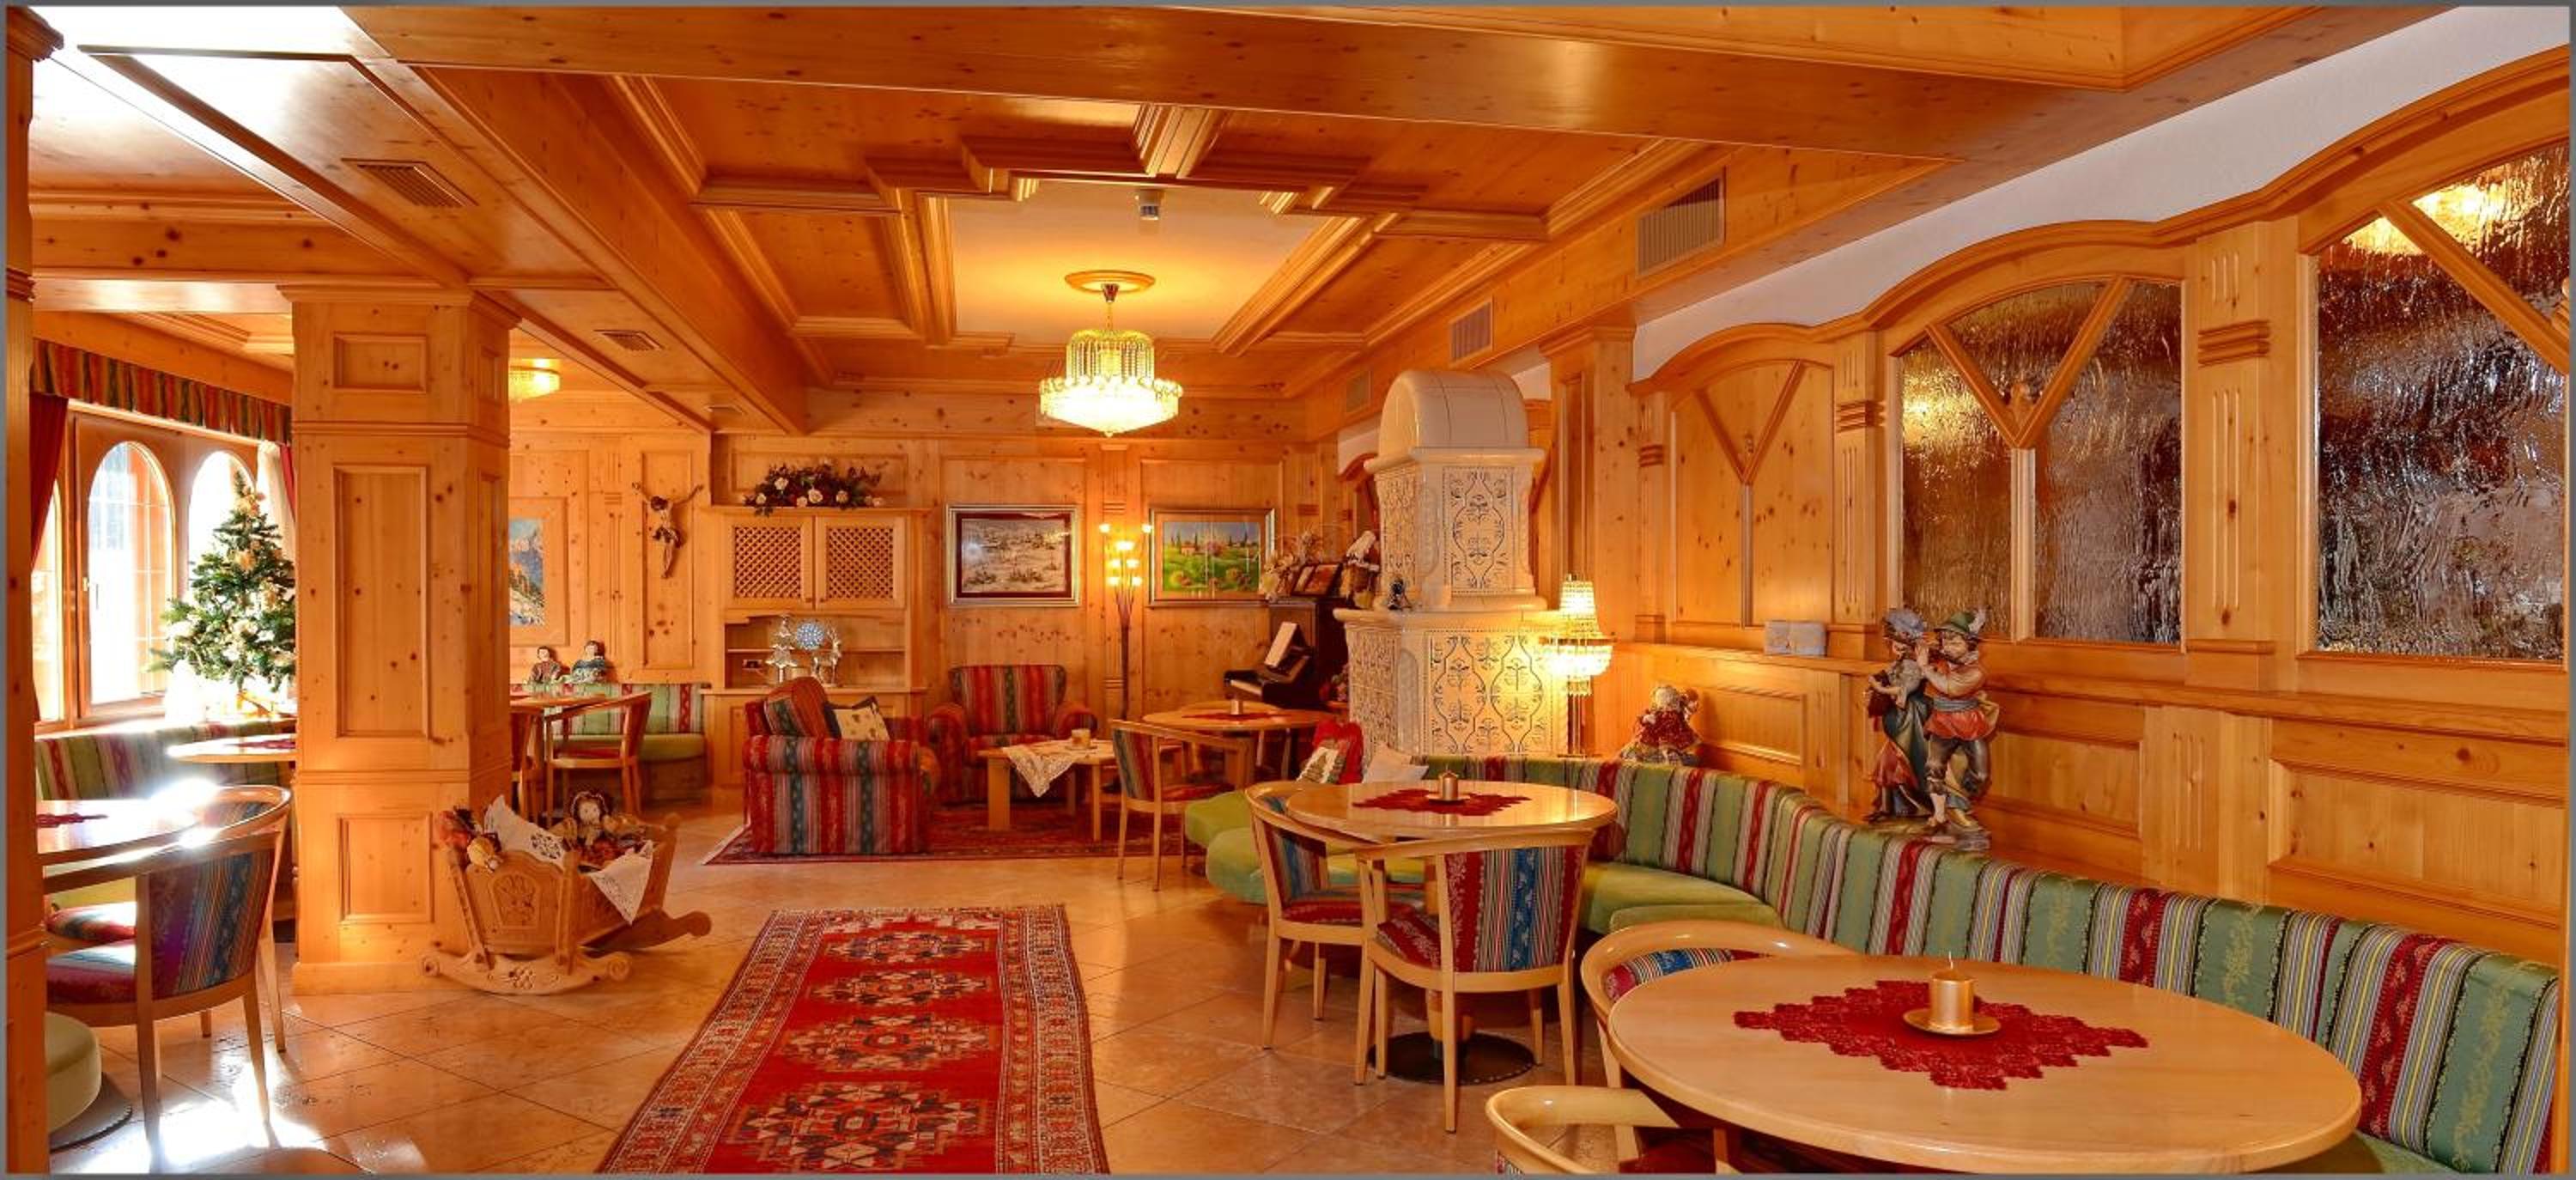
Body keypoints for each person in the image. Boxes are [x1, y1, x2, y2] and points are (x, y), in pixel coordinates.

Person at [1919, 610, 2002, 849]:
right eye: (1946, 642)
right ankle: (1942, 814)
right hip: (1942, 722)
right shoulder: (1941, 662)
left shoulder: (1976, 671)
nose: (1949, 647)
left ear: (1969, 644)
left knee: (1981, 773)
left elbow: (1950, 688)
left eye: (1956, 643)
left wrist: (1926, 668)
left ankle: (1959, 803)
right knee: (1934, 765)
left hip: (1968, 723)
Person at [1864, 609, 1933, 824]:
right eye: (1894, 641)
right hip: (1899, 717)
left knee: (1907, 761)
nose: (1897, 646)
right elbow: (1889, 676)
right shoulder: (1899, 663)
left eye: (1901, 641)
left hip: (1912, 718)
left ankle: (1918, 806)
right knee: (1886, 760)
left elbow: (1906, 688)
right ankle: (1887, 807)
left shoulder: (1914, 665)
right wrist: (1877, 685)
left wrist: (1881, 689)